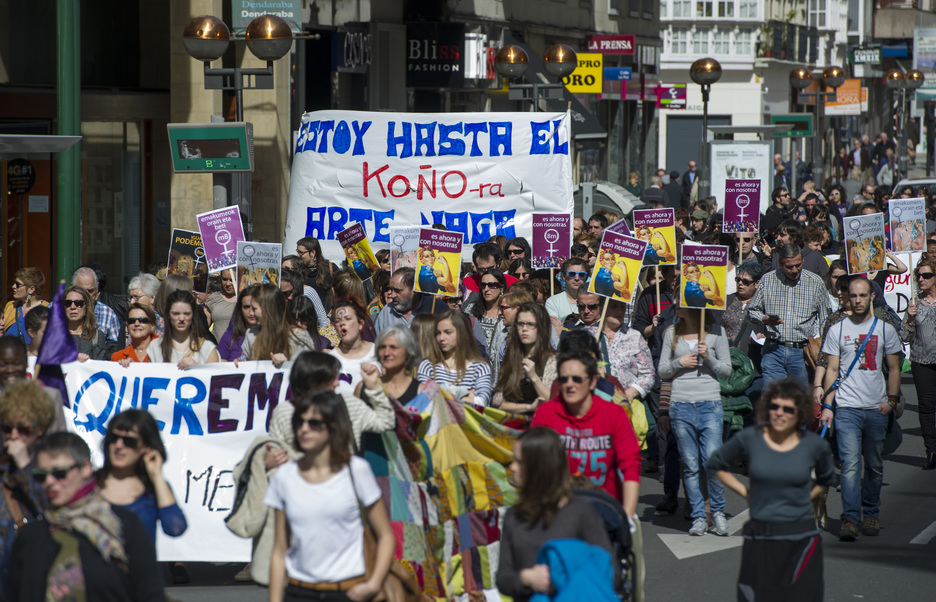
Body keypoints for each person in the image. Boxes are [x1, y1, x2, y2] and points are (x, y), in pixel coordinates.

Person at [709, 379, 835, 601]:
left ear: (799, 412)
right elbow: (715, 464)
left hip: (801, 536)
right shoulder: (752, 438)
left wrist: (806, 498)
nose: (780, 413)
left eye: (787, 409)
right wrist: (746, 492)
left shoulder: (814, 446)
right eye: (774, 407)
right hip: (761, 535)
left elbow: (825, 479)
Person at [265, 391, 394, 602]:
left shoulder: (356, 470)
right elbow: (280, 550)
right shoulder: (285, 477)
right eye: (300, 422)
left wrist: (373, 585)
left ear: (333, 428)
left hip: (350, 590)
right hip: (299, 592)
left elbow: (386, 536)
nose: (304, 429)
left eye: (315, 423)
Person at [7, 432, 164, 601]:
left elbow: (150, 593)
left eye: (60, 473)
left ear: (86, 468)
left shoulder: (122, 526)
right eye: (41, 475)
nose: (49, 481)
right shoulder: (31, 535)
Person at [819, 276, 901, 541]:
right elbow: (831, 370)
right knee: (851, 465)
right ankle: (850, 519)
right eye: (853, 296)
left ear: (871, 297)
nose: (857, 301)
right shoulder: (837, 330)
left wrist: (891, 400)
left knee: (875, 465)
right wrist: (828, 406)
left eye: (862, 295)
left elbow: (893, 368)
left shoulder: (884, 328)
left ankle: (871, 513)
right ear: (846, 297)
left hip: (876, 408)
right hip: (847, 409)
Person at [496, 427, 613, 602]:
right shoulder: (514, 516)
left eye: (519, 462)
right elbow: (503, 578)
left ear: (539, 468)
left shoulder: (582, 514)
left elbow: (611, 572)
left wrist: (563, 577)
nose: (512, 467)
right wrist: (527, 578)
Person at [531, 352, 641, 517]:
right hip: (556, 512)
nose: (569, 384)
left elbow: (630, 465)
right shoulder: (546, 413)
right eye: (563, 379)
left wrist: (627, 516)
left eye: (577, 379)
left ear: (593, 381)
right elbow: (534, 462)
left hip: (604, 510)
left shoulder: (614, 414)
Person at [658, 304, 732, 536]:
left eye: (682, 303)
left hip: (709, 403)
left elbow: (726, 370)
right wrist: (679, 363)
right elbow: (661, 370)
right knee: (689, 465)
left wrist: (707, 358)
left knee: (712, 461)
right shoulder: (671, 333)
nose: (676, 306)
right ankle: (699, 516)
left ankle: (717, 512)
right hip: (680, 405)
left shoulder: (716, 332)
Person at [97, 409, 187, 544]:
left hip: (139, 565)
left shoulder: (152, 488)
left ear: (146, 447)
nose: (119, 446)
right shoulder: (90, 483)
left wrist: (156, 475)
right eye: (113, 438)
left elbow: (175, 528)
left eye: (129, 441)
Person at [747, 244, 832, 387]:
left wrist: (818, 351)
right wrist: (764, 319)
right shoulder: (768, 280)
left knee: (799, 403)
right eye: (789, 267)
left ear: (802, 261)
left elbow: (826, 320)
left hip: (802, 351)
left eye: (798, 265)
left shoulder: (815, 282)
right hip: (773, 350)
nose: (794, 270)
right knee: (773, 400)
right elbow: (752, 310)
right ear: (781, 264)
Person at [0, 379, 56, 581]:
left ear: (40, 429)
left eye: (23, 430)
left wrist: (24, 464)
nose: (13, 436)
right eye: (8, 428)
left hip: (34, 573)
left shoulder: (53, 468)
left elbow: (49, 510)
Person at [417, 310, 492, 406]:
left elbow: (482, 402)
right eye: (438, 333)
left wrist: (438, 392)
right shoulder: (428, 365)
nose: (441, 338)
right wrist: (466, 394)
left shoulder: (480, 367)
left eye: (448, 332)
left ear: (462, 333)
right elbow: (422, 400)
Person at [902, 259, 936, 470]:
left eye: (927, 275)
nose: (921, 279)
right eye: (919, 276)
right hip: (922, 362)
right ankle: (931, 450)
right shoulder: (915, 305)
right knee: (926, 407)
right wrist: (910, 319)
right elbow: (904, 336)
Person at [492, 303, 556, 414]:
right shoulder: (512, 356)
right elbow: (498, 402)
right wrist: (529, 407)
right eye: (520, 324)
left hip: (542, 425)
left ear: (541, 326)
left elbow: (554, 402)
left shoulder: (553, 360)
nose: (524, 329)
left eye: (530, 324)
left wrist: (534, 377)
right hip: (515, 423)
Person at [242, 284, 317, 367]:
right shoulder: (251, 334)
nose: (251, 313)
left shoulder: (299, 338)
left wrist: (287, 364)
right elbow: (246, 361)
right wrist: (238, 364)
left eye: (254, 309)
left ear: (269, 309)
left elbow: (309, 371)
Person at [147, 290, 220, 367]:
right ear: (168, 314)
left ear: (193, 315)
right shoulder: (155, 346)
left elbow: (215, 378)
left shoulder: (207, 349)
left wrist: (197, 369)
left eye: (186, 313)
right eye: (176, 313)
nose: (181, 318)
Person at [373, 267, 446, 334]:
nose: (392, 295)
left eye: (398, 290)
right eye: (391, 289)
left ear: (414, 290)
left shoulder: (438, 308)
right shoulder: (387, 312)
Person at [328, 299, 377, 396]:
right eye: (338, 321)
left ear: (361, 324)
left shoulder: (377, 352)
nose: (342, 323)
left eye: (348, 318)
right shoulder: (330, 360)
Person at [64, 286, 115, 361]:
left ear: (86, 307)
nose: (72, 307)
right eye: (68, 303)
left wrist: (88, 361)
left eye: (79, 303)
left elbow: (99, 368)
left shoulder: (96, 336)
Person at [72, 266, 121, 345]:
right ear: (72, 287)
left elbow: (115, 349)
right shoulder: (54, 310)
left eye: (90, 291)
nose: (87, 295)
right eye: (82, 291)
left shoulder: (108, 314)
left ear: (97, 287)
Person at [466, 269, 507, 356]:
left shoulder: (508, 312)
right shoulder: (471, 310)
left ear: (501, 288)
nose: (486, 289)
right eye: (483, 285)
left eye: (492, 285)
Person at [3, 267, 47, 344]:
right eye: (14, 283)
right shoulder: (10, 306)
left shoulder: (46, 309)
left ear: (31, 289)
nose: (13, 286)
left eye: (18, 284)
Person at [544, 257, 590, 329]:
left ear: (586, 278)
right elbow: (554, 330)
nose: (577, 278)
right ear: (563, 276)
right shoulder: (553, 301)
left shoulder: (594, 301)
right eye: (572, 274)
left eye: (581, 274)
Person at [295, 236, 337, 312]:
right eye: (297, 251)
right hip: (304, 318)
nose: (298, 255)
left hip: (326, 319)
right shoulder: (297, 270)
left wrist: (331, 314)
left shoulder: (330, 268)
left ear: (313, 253)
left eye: (301, 252)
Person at [217, 285, 259, 361]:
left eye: (255, 307)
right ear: (240, 309)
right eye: (246, 307)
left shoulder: (272, 337)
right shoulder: (228, 338)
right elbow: (220, 368)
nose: (251, 312)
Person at [204, 269, 238, 337]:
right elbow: (203, 325)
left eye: (232, 280)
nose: (228, 284)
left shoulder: (245, 300)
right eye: (225, 279)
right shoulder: (213, 298)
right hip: (216, 346)